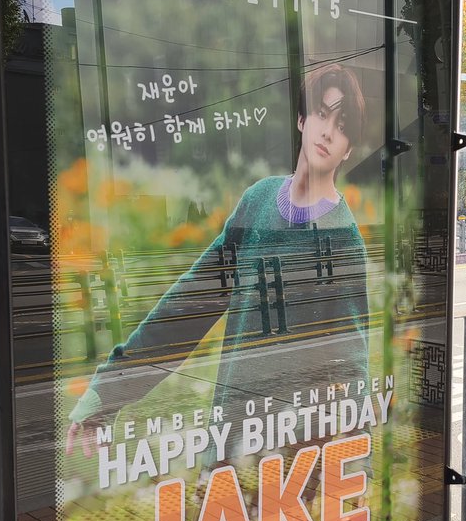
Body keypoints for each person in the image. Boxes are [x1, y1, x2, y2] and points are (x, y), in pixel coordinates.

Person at [66, 62, 372, 460]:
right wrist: (107, 393)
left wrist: (356, 465)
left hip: (293, 459)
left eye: (342, 126)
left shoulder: (342, 239)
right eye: (321, 113)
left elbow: (351, 367)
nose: (328, 131)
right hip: (227, 444)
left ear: (348, 149)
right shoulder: (257, 202)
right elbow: (189, 305)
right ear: (301, 120)